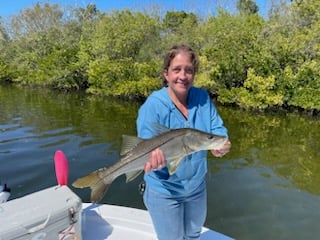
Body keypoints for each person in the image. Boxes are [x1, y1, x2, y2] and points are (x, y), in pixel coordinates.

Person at [136, 44, 231, 240]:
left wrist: (222, 144)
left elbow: (217, 130)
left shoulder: (202, 98)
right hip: (164, 191)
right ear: (166, 74)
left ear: (194, 73)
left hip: (196, 189)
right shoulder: (153, 106)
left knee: (194, 235)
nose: (183, 76)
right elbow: (143, 144)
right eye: (176, 69)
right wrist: (152, 162)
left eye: (188, 70)